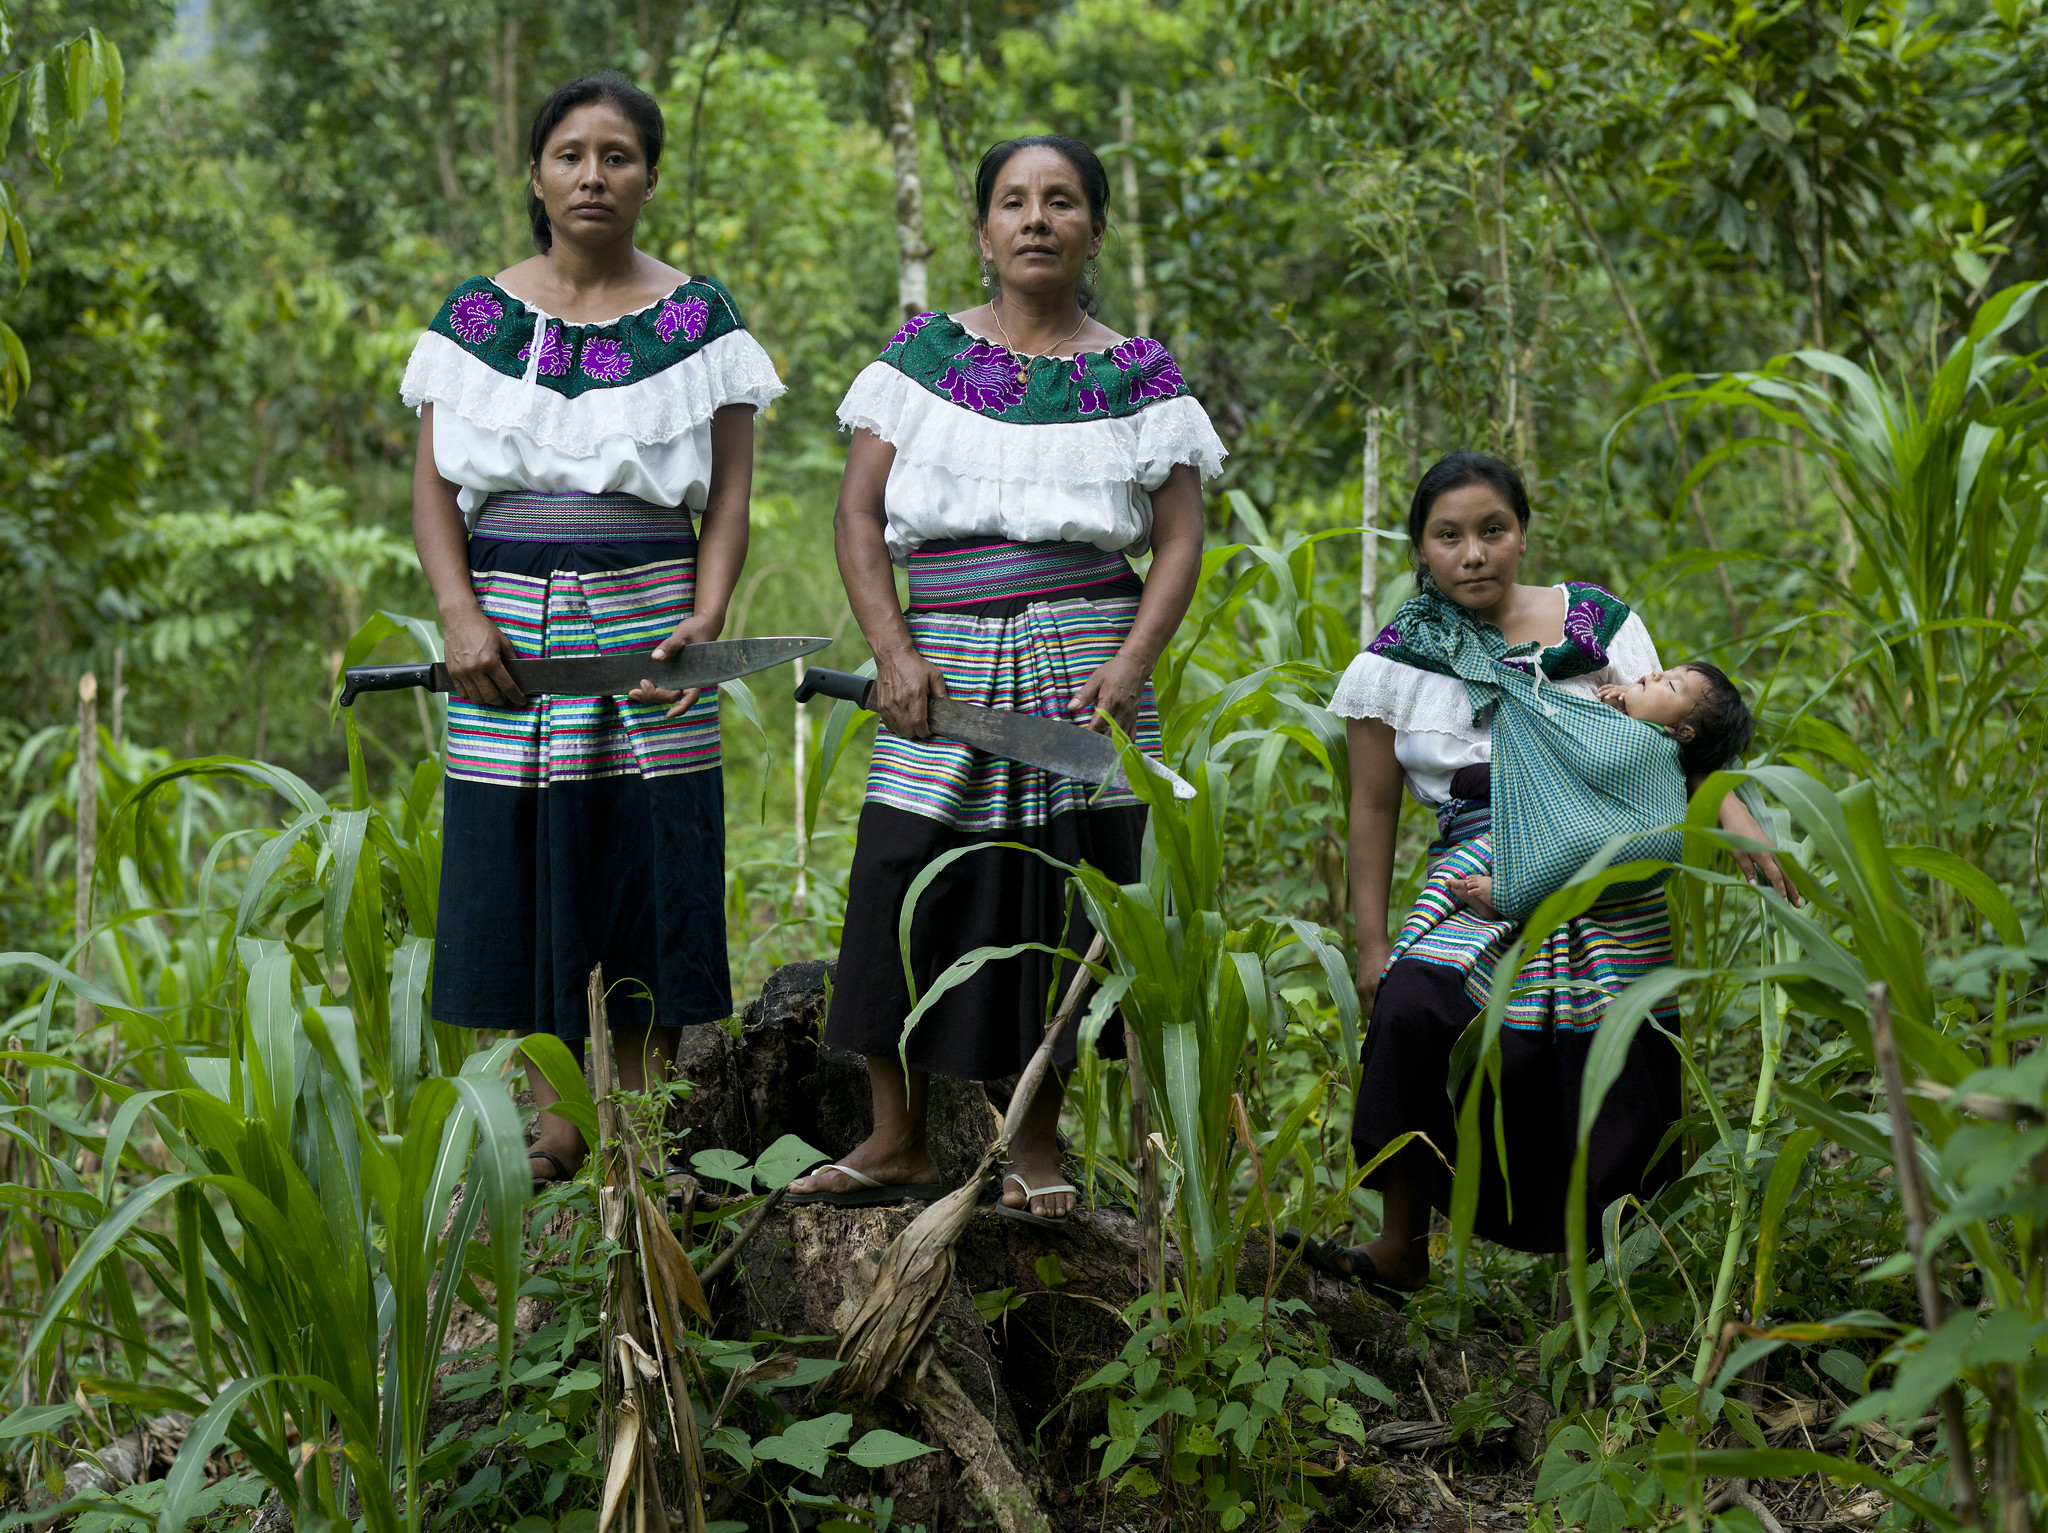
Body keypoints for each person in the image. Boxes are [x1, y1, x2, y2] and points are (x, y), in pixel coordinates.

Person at [787, 135, 1225, 1222]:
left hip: (1084, 665)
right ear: (981, 232)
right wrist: (891, 650)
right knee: (901, 868)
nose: (1036, 219)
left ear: (1094, 228)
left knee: (1058, 890)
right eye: (1013, 203)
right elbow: (854, 515)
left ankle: (1032, 1136)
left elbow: (1176, 539)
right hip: (940, 659)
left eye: (1061, 201)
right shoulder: (922, 359)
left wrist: (1131, 667)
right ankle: (892, 1138)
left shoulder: (1138, 374)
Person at [400, 72, 784, 1189]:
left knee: (646, 851)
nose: (592, 176)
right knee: (521, 855)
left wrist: (705, 618)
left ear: (650, 179)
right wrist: (459, 615)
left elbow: (730, 500)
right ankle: (552, 1115)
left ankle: (637, 1116)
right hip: (508, 625)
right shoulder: (475, 317)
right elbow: (431, 491)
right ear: (536, 174)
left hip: (651, 618)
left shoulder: (697, 322)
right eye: (570, 154)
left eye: (617, 156)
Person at [1302, 451, 1789, 1288]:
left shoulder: (1593, 623)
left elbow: (1674, 735)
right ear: (1422, 548)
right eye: (1448, 536)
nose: (1474, 553)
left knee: (1611, 1040)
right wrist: (1372, 940)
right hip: (1478, 860)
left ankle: (1602, 1274)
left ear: (1522, 532)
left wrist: (1739, 817)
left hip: (1609, 853)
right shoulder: (1396, 659)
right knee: (1416, 1007)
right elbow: (1373, 809)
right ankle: (1400, 1244)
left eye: (1493, 529)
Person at [1450, 660, 1755, 921]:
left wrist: (1616, 713)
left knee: (1571, 845)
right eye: (1668, 671)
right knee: (1585, 867)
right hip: (1660, 854)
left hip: (1633, 834)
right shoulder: (1659, 738)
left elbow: (1596, 748)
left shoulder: (1648, 742)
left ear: (1683, 732)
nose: (1658, 675)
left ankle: (1509, 899)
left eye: (1672, 686)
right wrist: (1629, 703)